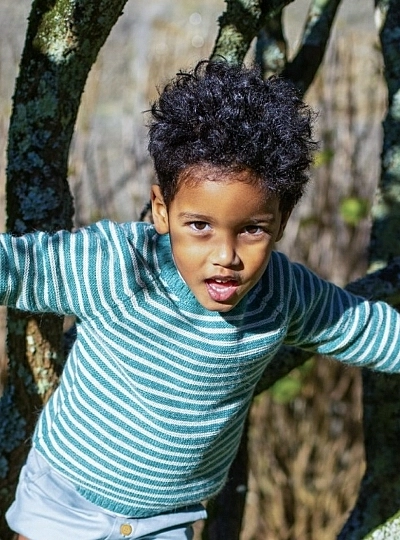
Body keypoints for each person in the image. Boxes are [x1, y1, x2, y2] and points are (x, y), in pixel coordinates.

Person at [5, 60, 400, 540]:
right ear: (161, 210)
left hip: (167, 521)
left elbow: (365, 328)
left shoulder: (282, 294)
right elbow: (20, 265)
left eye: (252, 229)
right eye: (200, 226)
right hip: (65, 502)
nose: (225, 256)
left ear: (282, 218)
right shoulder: (122, 266)